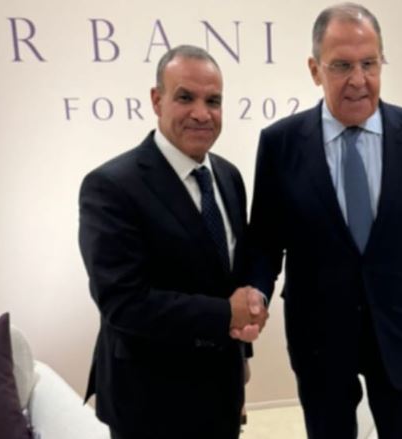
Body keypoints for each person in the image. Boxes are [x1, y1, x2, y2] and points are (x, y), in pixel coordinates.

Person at [247, 3, 402, 438]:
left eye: (369, 63)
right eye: (342, 65)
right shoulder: (280, 144)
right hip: (319, 338)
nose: (358, 79)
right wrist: (255, 292)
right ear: (315, 70)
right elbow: (265, 242)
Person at [78, 45, 267, 439]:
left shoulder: (229, 177)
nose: (202, 113)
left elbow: (230, 276)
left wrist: (243, 347)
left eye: (213, 101)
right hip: (149, 401)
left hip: (221, 390)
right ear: (156, 100)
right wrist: (226, 315)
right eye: (185, 98)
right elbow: (123, 302)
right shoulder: (110, 186)